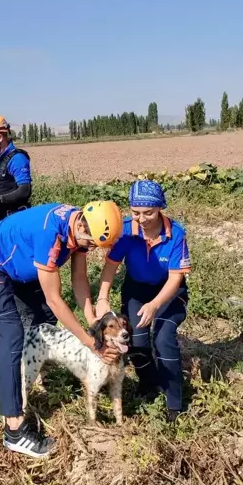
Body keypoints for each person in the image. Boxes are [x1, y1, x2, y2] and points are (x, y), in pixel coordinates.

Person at [0, 200, 124, 457]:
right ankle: (14, 429)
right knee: (12, 335)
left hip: (21, 267)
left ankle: (33, 376)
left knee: (42, 318)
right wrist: (90, 342)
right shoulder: (51, 235)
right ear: (82, 227)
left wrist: (93, 324)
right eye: (92, 243)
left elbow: (79, 279)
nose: (92, 248)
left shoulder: (78, 225)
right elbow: (56, 298)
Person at [96, 180, 191, 423]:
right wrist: (103, 297)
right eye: (136, 212)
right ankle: (149, 384)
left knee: (163, 338)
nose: (142, 218)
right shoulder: (126, 231)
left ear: (160, 208)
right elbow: (110, 268)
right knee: (135, 340)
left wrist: (156, 304)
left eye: (148, 212)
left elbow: (175, 277)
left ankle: (174, 403)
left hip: (169, 293)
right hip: (136, 290)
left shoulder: (175, 234)